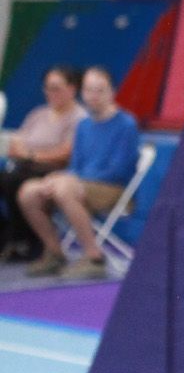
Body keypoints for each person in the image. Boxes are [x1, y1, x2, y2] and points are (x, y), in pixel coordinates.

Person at [17, 66, 139, 279]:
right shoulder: (83, 126)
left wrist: (73, 181)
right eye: (89, 90)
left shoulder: (126, 124)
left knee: (65, 188)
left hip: (113, 189)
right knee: (30, 191)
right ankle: (55, 252)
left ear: (112, 92)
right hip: (80, 184)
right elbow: (75, 166)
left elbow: (119, 171)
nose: (93, 96)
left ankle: (94, 257)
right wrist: (57, 178)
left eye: (99, 90)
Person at [0, 65, 84, 262]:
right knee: (10, 178)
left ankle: (27, 240)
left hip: (56, 172)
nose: (50, 93)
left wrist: (30, 155)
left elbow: (65, 152)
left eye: (56, 88)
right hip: (23, 167)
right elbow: (15, 144)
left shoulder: (79, 118)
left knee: (13, 182)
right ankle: (5, 232)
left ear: (72, 89)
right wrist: (30, 154)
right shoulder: (38, 114)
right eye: (47, 88)